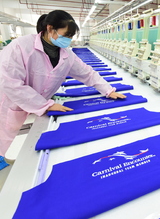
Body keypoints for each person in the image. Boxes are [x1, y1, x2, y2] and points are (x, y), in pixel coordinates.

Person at [0, 10, 126, 158]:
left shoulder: (66, 54)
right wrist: (45, 105)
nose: (68, 40)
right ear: (50, 28)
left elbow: (87, 72)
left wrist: (108, 90)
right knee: (8, 143)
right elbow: (10, 82)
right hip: (12, 104)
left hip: (40, 102)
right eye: (66, 35)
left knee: (28, 146)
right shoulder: (20, 46)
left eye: (71, 37)